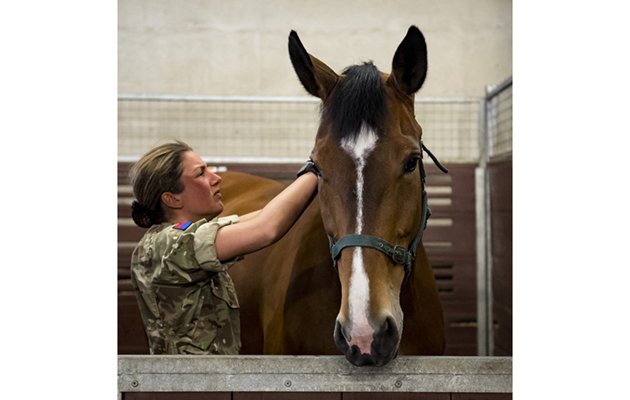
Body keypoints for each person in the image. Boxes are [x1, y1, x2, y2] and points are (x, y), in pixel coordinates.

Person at [128, 140, 319, 355]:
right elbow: (265, 228)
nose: (216, 178)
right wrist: (315, 168)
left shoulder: (180, 236)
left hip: (208, 382)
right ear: (172, 198)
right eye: (200, 174)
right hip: (192, 384)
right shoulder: (170, 244)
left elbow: (260, 216)